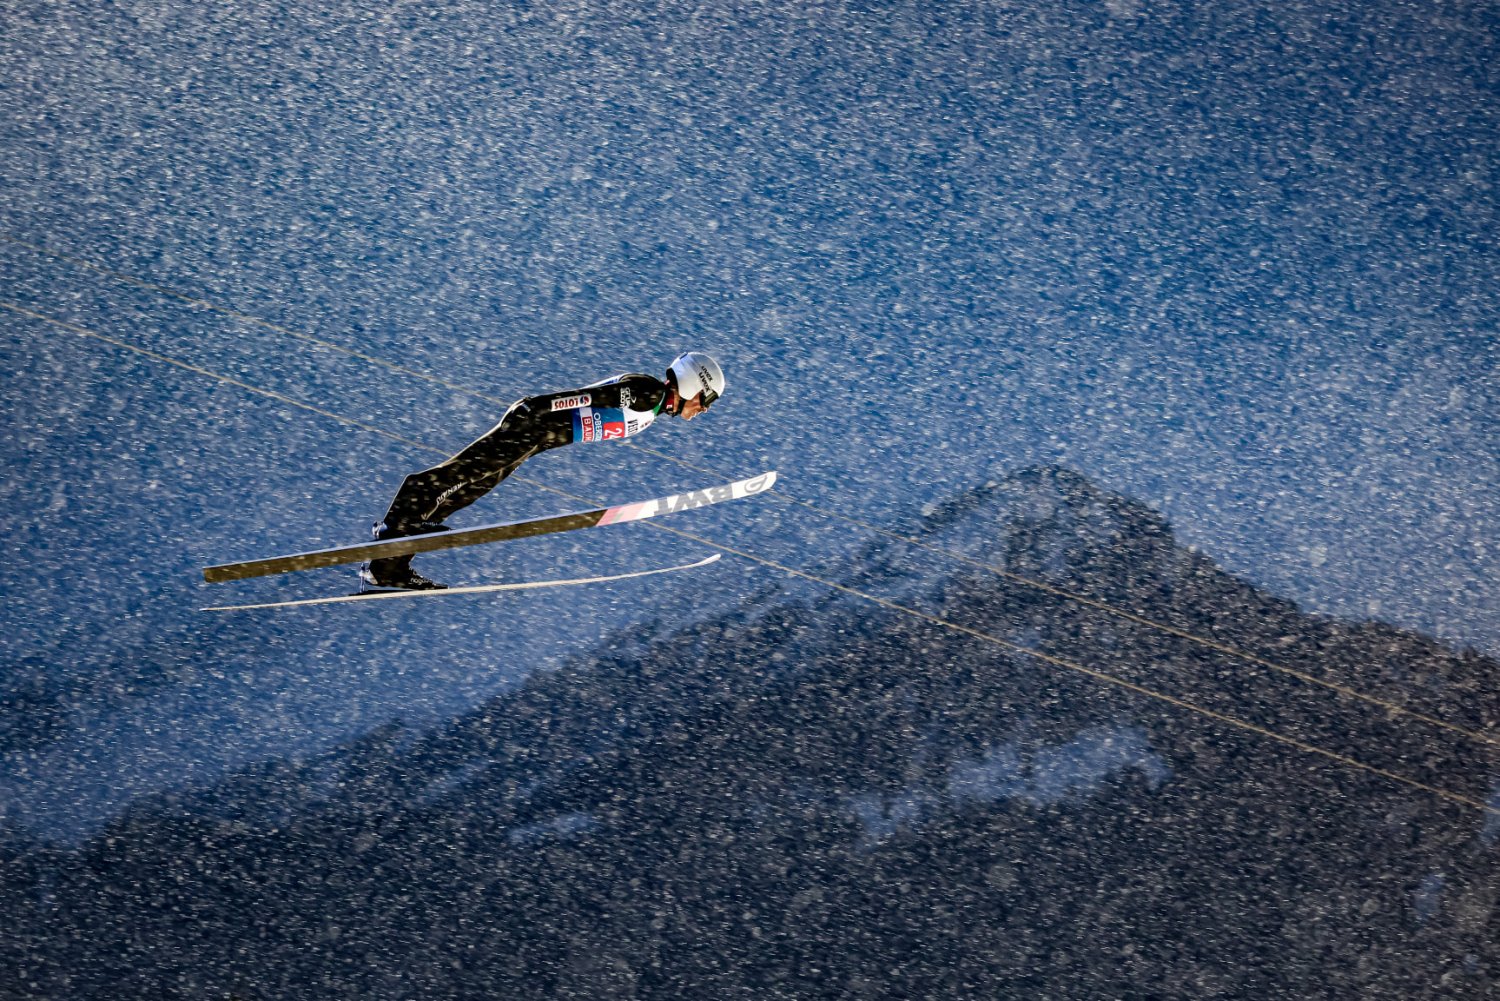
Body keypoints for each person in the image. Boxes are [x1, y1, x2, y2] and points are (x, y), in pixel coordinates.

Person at [361, 351, 727, 590]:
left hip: (537, 438)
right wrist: (535, 408)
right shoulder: (648, 394)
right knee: (454, 476)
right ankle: (393, 531)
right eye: (706, 401)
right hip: (533, 426)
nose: (704, 409)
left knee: (465, 490)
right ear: (696, 384)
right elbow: (588, 398)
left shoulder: (654, 404)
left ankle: (389, 565)